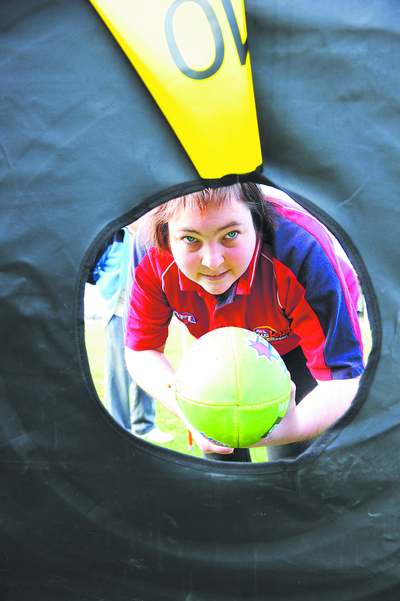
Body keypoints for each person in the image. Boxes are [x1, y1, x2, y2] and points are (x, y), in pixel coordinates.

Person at [124, 183, 364, 461]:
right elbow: (142, 350)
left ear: (257, 221)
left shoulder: (302, 249)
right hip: (216, 348)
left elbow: (343, 379)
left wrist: (294, 427)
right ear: (167, 234)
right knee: (221, 464)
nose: (212, 262)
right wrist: (186, 408)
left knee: (293, 459)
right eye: (190, 239)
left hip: (296, 343)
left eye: (231, 234)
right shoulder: (151, 249)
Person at [88, 225, 174, 444]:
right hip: (118, 311)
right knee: (118, 372)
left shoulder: (151, 229)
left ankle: (145, 426)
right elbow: (90, 268)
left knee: (149, 365)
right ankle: (119, 428)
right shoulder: (113, 234)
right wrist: (106, 282)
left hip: (145, 312)